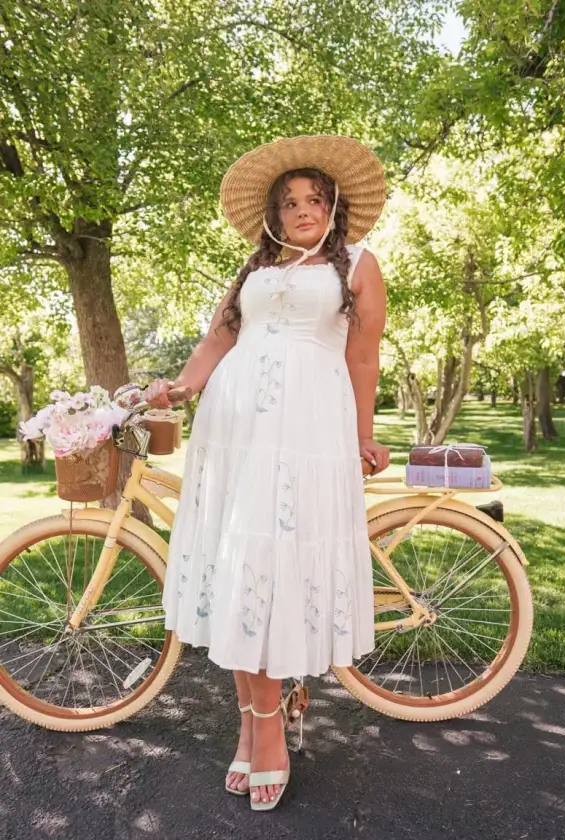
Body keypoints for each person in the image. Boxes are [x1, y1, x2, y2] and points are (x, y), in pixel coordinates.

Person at [145, 134, 390, 811]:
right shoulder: (255, 266)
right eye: (289, 203)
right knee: (237, 568)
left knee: (276, 570)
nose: (302, 210)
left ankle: (267, 734)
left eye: (313, 200)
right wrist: (183, 387)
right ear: (275, 216)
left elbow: (363, 359)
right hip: (235, 429)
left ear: (334, 207)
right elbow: (220, 338)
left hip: (308, 429)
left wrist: (364, 436)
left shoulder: (362, 266)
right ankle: (257, 722)